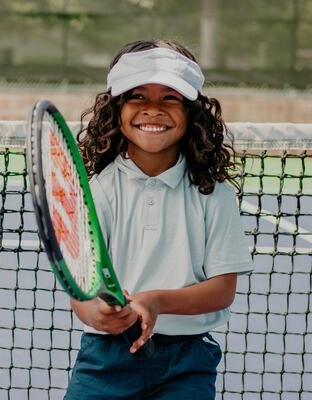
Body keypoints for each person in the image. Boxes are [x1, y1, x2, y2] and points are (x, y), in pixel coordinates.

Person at [64, 39, 253, 400]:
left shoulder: (216, 196)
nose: (153, 110)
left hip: (188, 362)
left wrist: (155, 302)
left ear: (193, 113)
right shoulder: (96, 192)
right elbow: (82, 294)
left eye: (169, 98)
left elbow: (222, 289)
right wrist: (99, 315)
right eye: (138, 97)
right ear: (116, 110)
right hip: (105, 361)